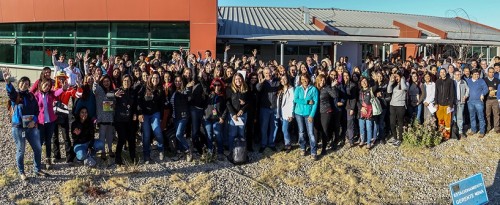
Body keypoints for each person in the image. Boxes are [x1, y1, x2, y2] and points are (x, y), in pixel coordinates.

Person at [4, 69, 49, 180]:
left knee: (38, 148)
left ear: (29, 86)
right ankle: (21, 172)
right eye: (23, 83)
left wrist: (34, 120)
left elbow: (36, 111)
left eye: (27, 83)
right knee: (21, 150)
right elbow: (11, 93)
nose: (25, 85)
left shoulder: (31, 96)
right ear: (19, 84)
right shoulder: (16, 96)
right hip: (19, 128)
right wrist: (8, 82)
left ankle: (37, 169)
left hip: (31, 127)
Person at [34, 79, 66, 169]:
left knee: (48, 141)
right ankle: (37, 160)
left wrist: (63, 89)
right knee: (39, 142)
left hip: (51, 121)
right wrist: (35, 121)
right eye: (45, 85)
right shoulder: (36, 95)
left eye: (48, 85)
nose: (47, 87)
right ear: (41, 86)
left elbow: (57, 93)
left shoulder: (51, 94)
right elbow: (34, 109)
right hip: (40, 122)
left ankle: (48, 159)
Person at [137, 72, 166, 163]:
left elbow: (162, 105)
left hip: (155, 113)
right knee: (146, 135)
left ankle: (161, 149)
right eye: (154, 78)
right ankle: (146, 155)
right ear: (150, 78)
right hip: (145, 114)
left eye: (157, 78)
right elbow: (139, 100)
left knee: (157, 130)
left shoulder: (161, 90)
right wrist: (140, 113)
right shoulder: (144, 87)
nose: (155, 80)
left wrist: (160, 116)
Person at [294, 73, 319, 160]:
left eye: (306, 79)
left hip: (309, 114)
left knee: (311, 133)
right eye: (302, 79)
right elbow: (295, 99)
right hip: (298, 113)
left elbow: (315, 103)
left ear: (308, 79)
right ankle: (302, 148)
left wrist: (312, 115)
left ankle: (313, 151)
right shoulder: (298, 88)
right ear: (300, 80)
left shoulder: (313, 89)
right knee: (301, 132)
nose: (304, 80)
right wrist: (307, 102)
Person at [114, 75, 138, 165]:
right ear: (122, 81)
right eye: (124, 80)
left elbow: (136, 104)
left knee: (132, 138)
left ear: (131, 82)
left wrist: (135, 113)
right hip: (120, 119)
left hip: (130, 119)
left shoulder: (133, 92)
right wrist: (114, 95)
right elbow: (108, 95)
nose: (126, 82)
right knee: (122, 138)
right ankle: (118, 157)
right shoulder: (118, 90)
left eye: (128, 81)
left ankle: (133, 156)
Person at [170, 76, 194, 162]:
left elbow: (189, 96)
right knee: (178, 136)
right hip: (175, 116)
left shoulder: (185, 91)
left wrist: (188, 88)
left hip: (183, 116)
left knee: (179, 134)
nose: (177, 83)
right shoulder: (173, 91)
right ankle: (179, 153)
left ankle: (188, 150)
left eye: (179, 81)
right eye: (176, 81)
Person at [256, 67, 280, 153]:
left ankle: (271, 143)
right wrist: (260, 83)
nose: (268, 75)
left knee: (274, 126)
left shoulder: (277, 81)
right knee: (264, 127)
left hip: (275, 108)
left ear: (271, 73)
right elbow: (257, 89)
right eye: (266, 73)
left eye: (269, 73)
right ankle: (263, 144)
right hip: (264, 108)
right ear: (263, 74)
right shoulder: (262, 82)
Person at [93, 74, 116, 159]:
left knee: (110, 135)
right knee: (102, 135)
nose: (106, 83)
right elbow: (94, 90)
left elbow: (114, 101)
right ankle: (103, 151)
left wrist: (114, 105)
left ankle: (110, 149)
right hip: (102, 117)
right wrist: (95, 82)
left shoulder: (112, 91)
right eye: (104, 81)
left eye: (108, 81)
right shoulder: (99, 89)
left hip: (110, 116)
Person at [203, 78, 227, 156]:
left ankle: (220, 151)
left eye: (218, 85)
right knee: (209, 134)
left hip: (217, 119)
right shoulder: (209, 94)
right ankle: (210, 150)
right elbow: (204, 87)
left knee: (218, 134)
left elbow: (226, 108)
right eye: (215, 85)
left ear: (221, 86)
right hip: (208, 117)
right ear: (212, 85)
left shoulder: (223, 96)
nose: (217, 86)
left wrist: (222, 117)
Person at [314, 74, 337, 154]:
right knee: (316, 130)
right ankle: (315, 146)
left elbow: (334, 95)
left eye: (324, 80)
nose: (322, 81)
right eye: (321, 80)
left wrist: (333, 87)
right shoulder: (314, 88)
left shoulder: (327, 88)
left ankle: (324, 148)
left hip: (326, 111)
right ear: (317, 80)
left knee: (325, 130)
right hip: (316, 112)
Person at [226, 73, 249, 151]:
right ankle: (231, 150)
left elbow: (249, 102)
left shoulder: (246, 89)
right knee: (232, 133)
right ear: (233, 80)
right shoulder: (230, 89)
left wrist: (243, 108)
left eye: (239, 79)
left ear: (242, 79)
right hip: (233, 115)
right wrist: (233, 114)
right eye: (236, 79)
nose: (238, 80)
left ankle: (240, 151)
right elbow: (228, 102)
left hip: (242, 114)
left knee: (241, 133)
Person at [466, 70, 488, 138]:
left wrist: (482, 94)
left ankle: (482, 131)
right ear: (472, 75)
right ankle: (473, 130)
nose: (476, 76)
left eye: (478, 74)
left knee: (481, 117)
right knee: (472, 116)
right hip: (470, 101)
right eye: (475, 74)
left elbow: (486, 89)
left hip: (479, 101)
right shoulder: (468, 81)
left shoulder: (481, 81)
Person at [387, 71, 407, 147]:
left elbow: (404, 88)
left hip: (401, 106)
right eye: (395, 77)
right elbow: (388, 90)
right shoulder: (394, 85)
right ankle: (395, 137)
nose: (396, 78)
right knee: (392, 123)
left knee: (400, 123)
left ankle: (400, 139)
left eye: (397, 76)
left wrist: (401, 78)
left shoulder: (404, 84)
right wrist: (390, 81)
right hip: (392, 105)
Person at [434, 68, 455, 140]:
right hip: (439, 104)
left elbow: (452, 93)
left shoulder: (450, 81)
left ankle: (446, 136)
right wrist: (436, 103)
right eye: (441, 72)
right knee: (440, 120)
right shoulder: (437, 81)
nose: (442, 73)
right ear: (439, 73)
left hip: (447, 105)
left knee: (447, 121)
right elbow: (436, 93)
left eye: (443, 72)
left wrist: (450, 104)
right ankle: (441, 134)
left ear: (446, 73)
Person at [277, 75, 295, 153]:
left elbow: (292, 102)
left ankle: (288, 145)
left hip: (287, 113)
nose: (283, 80)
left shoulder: (291, 89)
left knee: (284, 129)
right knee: (283, 129)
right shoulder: (280, 89)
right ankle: (286, 143)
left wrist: (291, 114)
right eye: (282, 79)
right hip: (281, 112)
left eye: (285, 78)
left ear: (287, 80)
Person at [357, 77, 375, 149]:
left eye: (365, 81)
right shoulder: (360, 91)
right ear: (360, 83)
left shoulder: (371, 90)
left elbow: (376, 86)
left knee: (369, 127)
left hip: (369, 112)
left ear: (368, 82)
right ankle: (362, 140)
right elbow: (358, 101)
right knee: (361, 127)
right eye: (362, 81)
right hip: (361, 112)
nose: (364, 82)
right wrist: (361, 107)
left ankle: (369, 142)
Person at [483, 67, 500, 134]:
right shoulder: (484, 80)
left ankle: (497, 128)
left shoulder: (497, 80)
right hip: (487, 100)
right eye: (490, 72)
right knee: (487, 114)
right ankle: (488, 127)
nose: (491, 73)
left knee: (496, 114)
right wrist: (487, 88)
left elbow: (499, 90)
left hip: (495, 99)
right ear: (487, 73)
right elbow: (482, 89)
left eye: (493, 72)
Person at [453, 70, 469, 139]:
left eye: (459, 74)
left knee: (460, 117)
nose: (458, 76)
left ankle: (460, 131)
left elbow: (467, 90)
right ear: (454, 75)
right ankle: (453, 131)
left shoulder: (463, 82)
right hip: (453, 102)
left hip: (461, 102)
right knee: (453, 117)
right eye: (456, 74)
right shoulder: (452, 82)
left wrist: (465, 96)